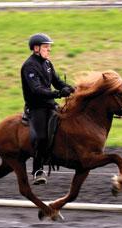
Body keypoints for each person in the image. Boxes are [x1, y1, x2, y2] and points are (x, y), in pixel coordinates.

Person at [21, 33, 74, 185]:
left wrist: (70, 88)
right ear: (36, 48)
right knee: (42, 137)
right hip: (37, 107)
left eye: (49, 47)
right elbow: (37, 90)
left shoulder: (47, 64)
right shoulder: (29, 66)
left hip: (50, 104)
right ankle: (38, 170)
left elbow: (57, 81)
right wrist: (58, 93)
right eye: (46, 47)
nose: (49, 49)